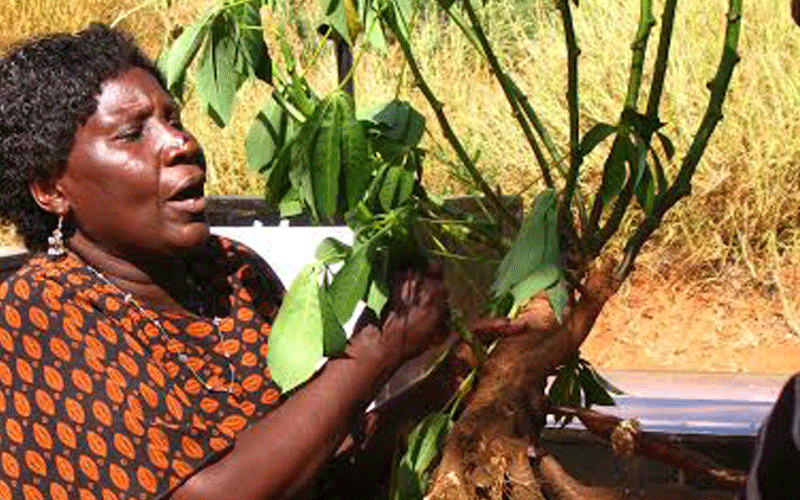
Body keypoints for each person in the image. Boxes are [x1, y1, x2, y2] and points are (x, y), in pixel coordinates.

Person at [0, 24, 448, 500]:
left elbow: (320, 464)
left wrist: (454, 378)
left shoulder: (234, 273)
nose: (180, 143)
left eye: (173, 120)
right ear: (51, 190)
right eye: (132, 134)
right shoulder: (33, 315)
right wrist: (376, 350)